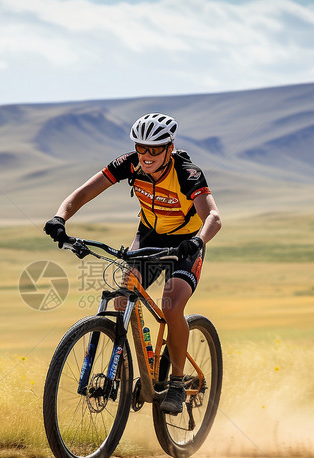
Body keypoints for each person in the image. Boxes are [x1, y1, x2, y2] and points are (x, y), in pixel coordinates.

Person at [44, 112, 222, 416]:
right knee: (122, 299)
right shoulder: (128, 163)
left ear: (170, 146)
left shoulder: (187, 172)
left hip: (187, 242)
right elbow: (83, 193)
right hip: (149, 235)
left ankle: (177, 383)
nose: (147, 155)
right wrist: (60, 217)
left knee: (172, 304)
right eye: (142, 148)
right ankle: (131, 372)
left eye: (155, 149)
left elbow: (213, 218)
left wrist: (198, 241)